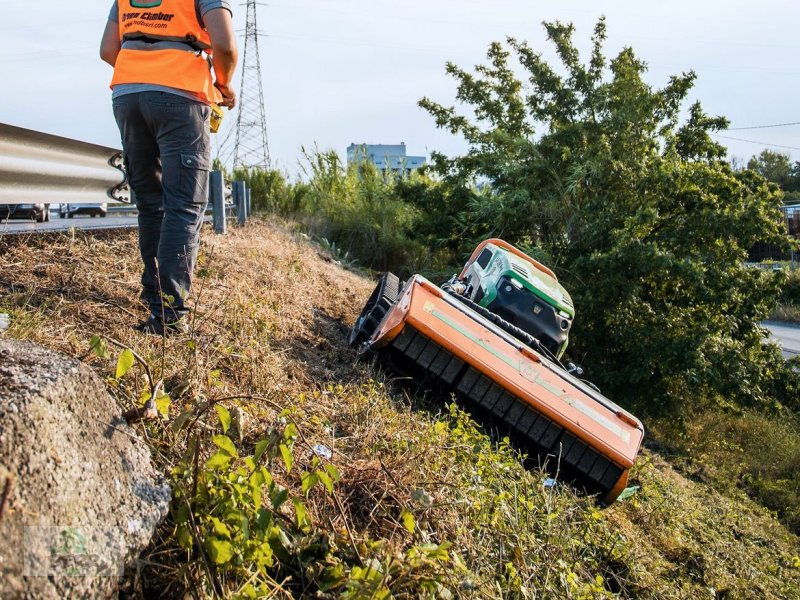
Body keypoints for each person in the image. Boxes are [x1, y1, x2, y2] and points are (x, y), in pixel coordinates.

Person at [99, 0, 238, 335]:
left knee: (151, 204)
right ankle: (169, 317)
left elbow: (108, 49)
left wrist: (144, 70)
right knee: (184, 206)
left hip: (128, 93)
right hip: (181, 93)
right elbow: (225, 46)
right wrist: (223, 85)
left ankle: (155, 300)